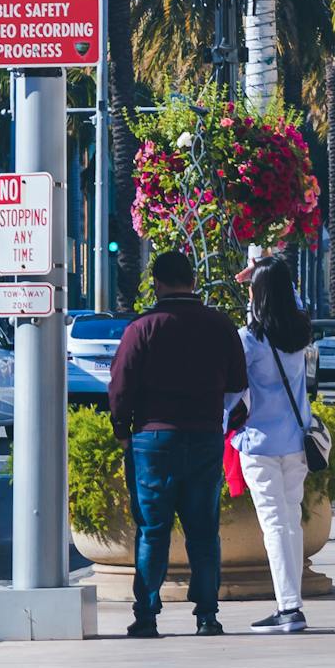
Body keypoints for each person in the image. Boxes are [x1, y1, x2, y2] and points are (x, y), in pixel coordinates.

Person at [106, 249, 248, 637]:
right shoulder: (220, 326)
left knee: (153, 528)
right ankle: (207, 614)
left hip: (152, 438)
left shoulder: (142, 327)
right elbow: (238, 384)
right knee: (203, 530)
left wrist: (123, 430)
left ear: (157, 283)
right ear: (193, 281)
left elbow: (120, 386)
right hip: (204, 435)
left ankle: (147, 614)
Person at [233, 256, 321, 633]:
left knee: (275, 525)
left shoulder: (249, 340)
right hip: (298, 442)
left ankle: (289, 607)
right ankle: (291, 603)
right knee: (291, 521)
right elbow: (293, 302)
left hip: (260, 443)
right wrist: (271, 275)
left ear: (257, 294)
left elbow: (233, 394)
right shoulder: (299, 333)